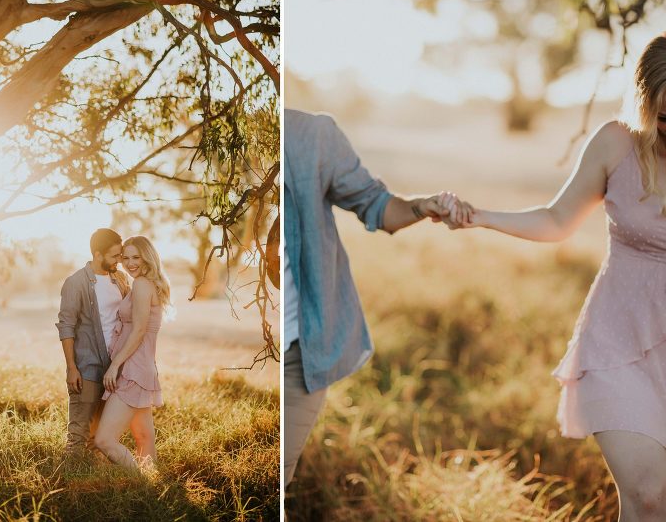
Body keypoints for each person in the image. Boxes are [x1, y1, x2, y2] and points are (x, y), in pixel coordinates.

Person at [456, 35, 666, 521]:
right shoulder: (617, 143)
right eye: (663, 115)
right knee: (650, 494)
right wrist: (481, 216)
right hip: (617, 343)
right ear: (643, 103)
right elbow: (557, 221)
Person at [283, 108, 464, 488]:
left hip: (300, 351)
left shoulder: (312, 136)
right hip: (254, 351)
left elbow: (377, 205)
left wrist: (421, 206)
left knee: (277, 479)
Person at [94, 235, 171, 470]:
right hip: (142, 366)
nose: (130, 263)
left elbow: (138, 331)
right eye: (125, 258)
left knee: (104, 440)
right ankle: (153, 490)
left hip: (133, 369)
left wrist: (115, 365)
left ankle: (140, 484)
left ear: (148, 257)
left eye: (136, 257)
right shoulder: (144, 284)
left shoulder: (142, 284)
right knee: (144, 437)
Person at [56, 228, 129, 459]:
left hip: (114, 367)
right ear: (98, 255)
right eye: (114, 256)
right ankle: (71, 484)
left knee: (101, 435)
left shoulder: (120, 279)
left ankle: (95, 481)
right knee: (78, 434)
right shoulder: (76, 282)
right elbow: (66, 325)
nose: (119, 261)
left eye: (121, 255)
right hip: (87, 366)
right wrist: (71, 368)